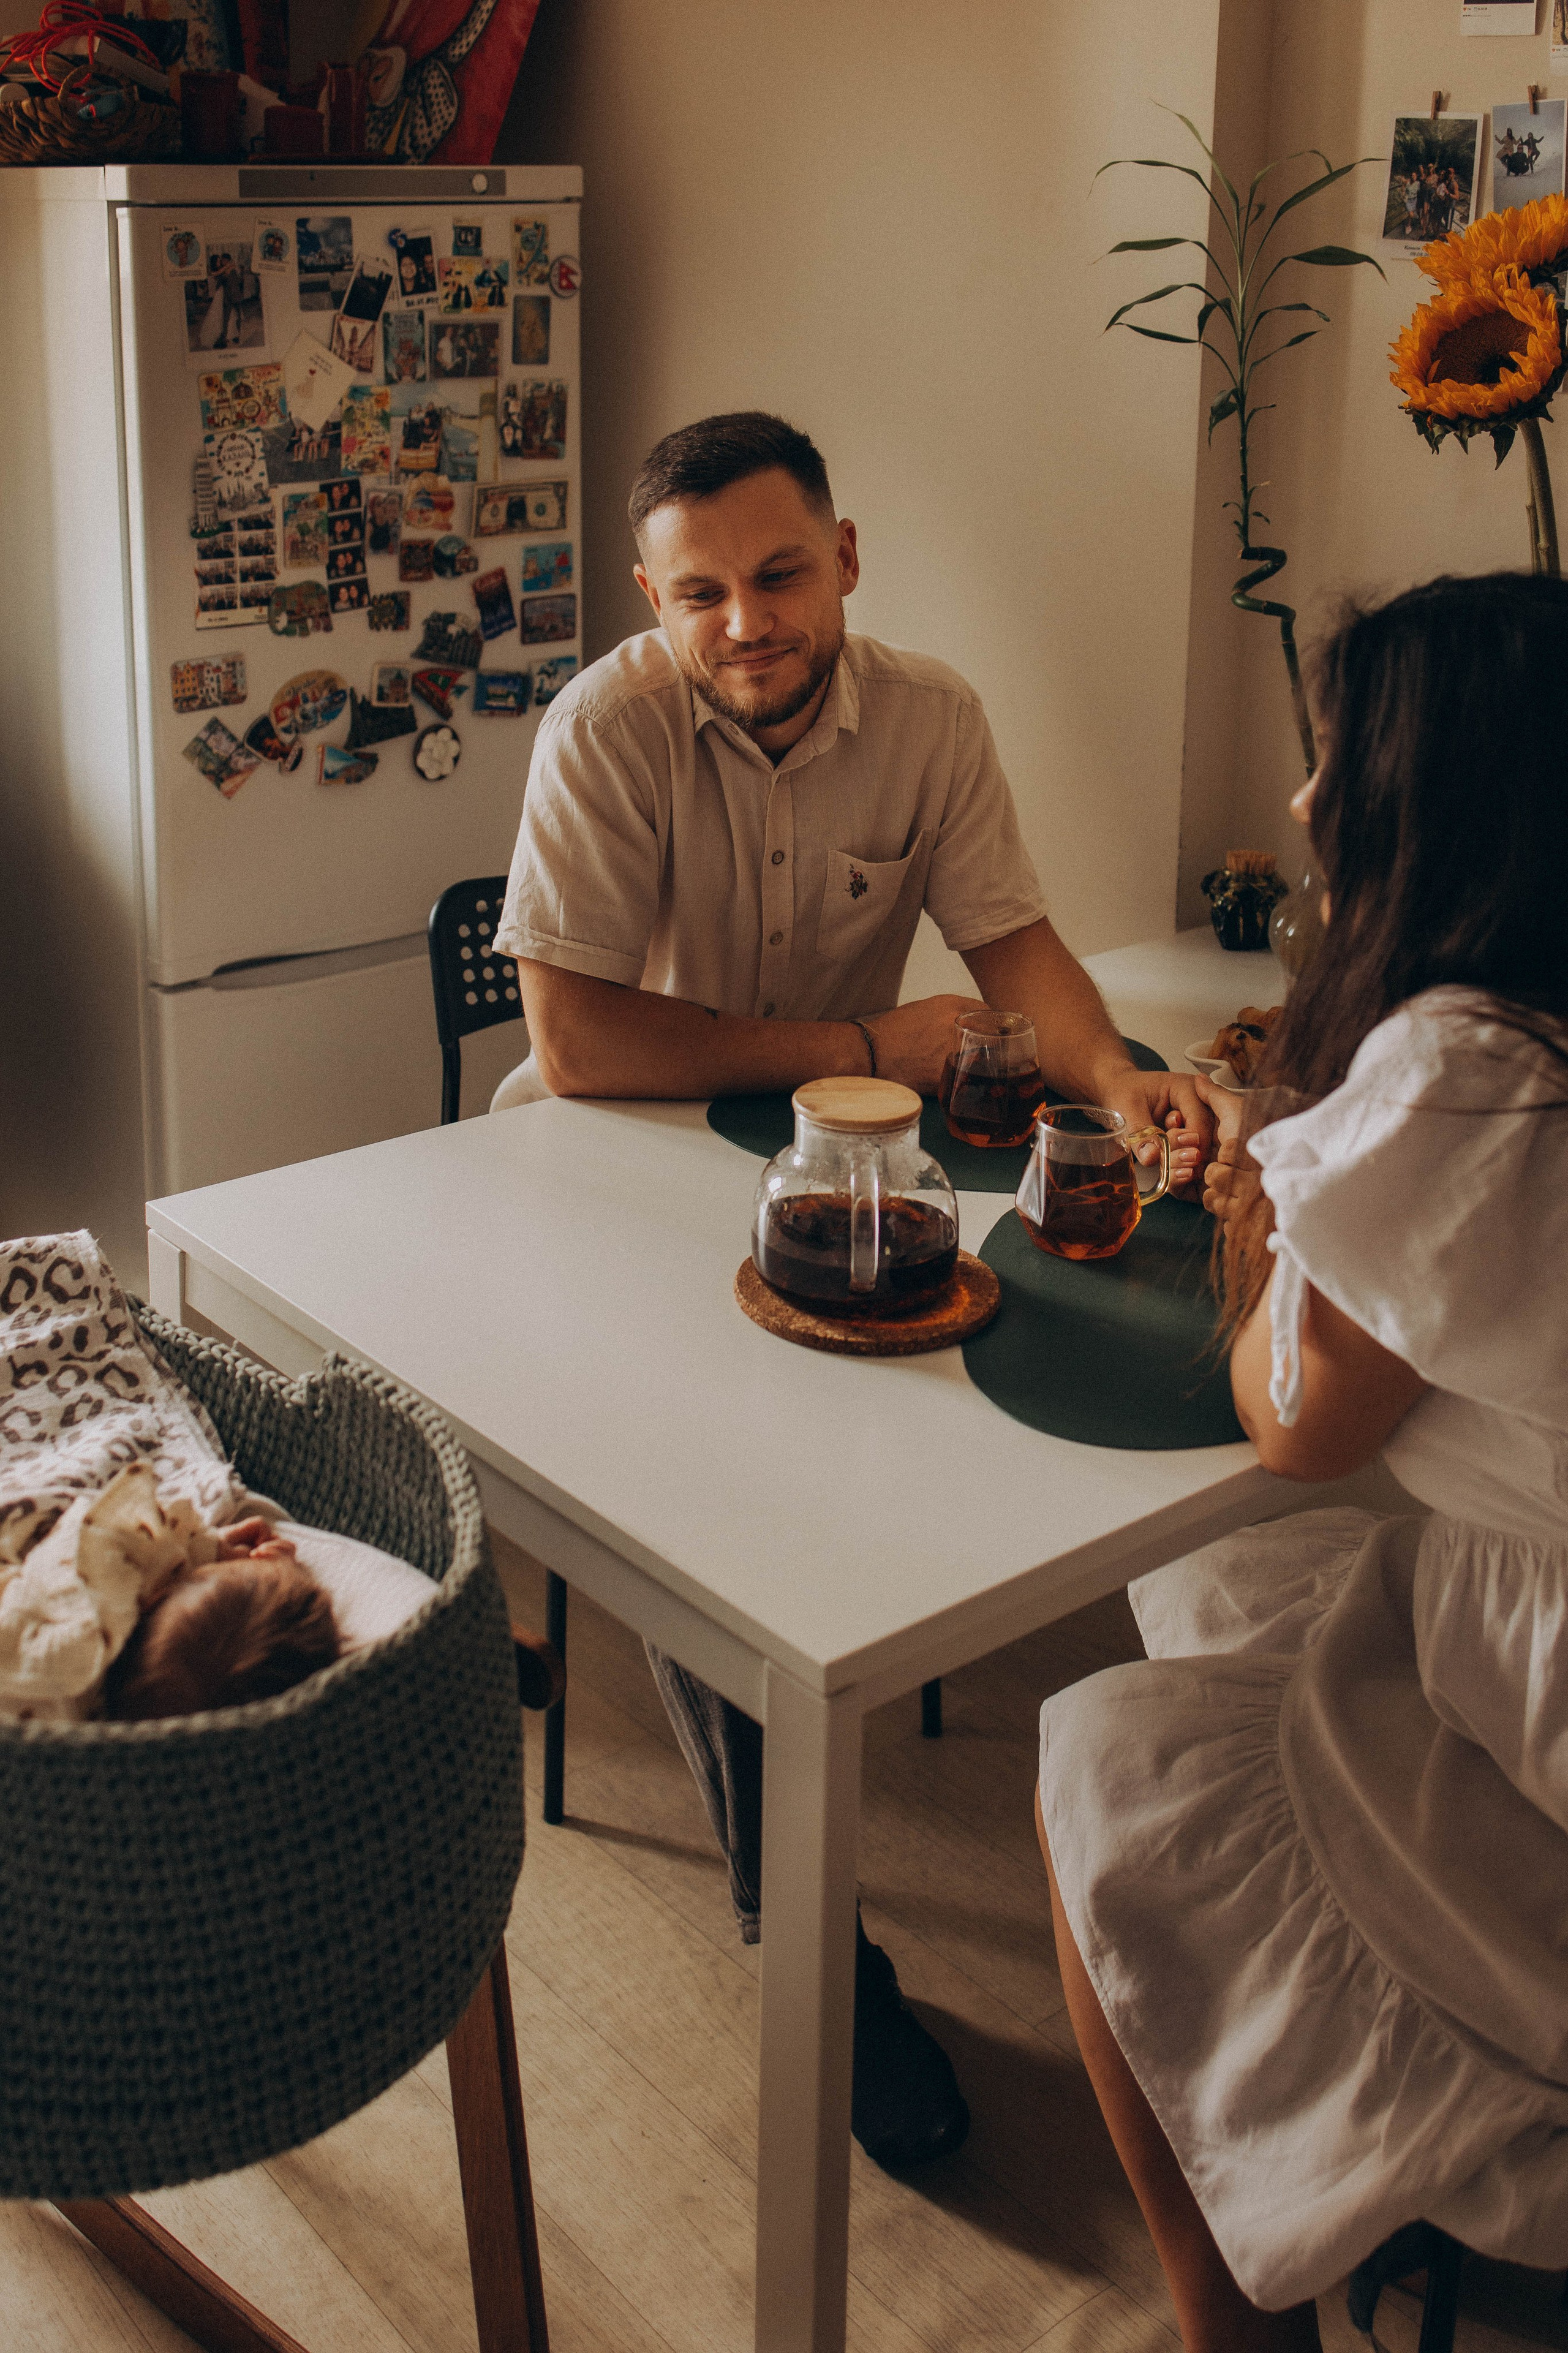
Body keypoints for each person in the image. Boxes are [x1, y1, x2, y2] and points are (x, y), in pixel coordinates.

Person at [492, 409, 1211, 2170]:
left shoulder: (937, 717)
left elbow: (1016, 953)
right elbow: (574, 1044)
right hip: (593, 1182)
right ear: (655, 605)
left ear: (849, 559)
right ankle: (811, 1941)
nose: (748, 621)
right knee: (700, 1516)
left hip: (833, 1167)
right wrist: (864, 1038)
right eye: (703, 593)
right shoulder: (604, 728)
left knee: (1070, 1338)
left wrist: (1127, 1084)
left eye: (781, 574)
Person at [1036, 572, 1568, 2351]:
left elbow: (1299, 1423)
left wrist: (1272, 1200)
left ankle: (1234, 2324)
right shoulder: (1524, 1043)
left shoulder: (1461, 1070)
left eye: (1332, 751)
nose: (1296, 798)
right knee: (1217, 1581)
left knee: (1104, 1748)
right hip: (1506, 1593)